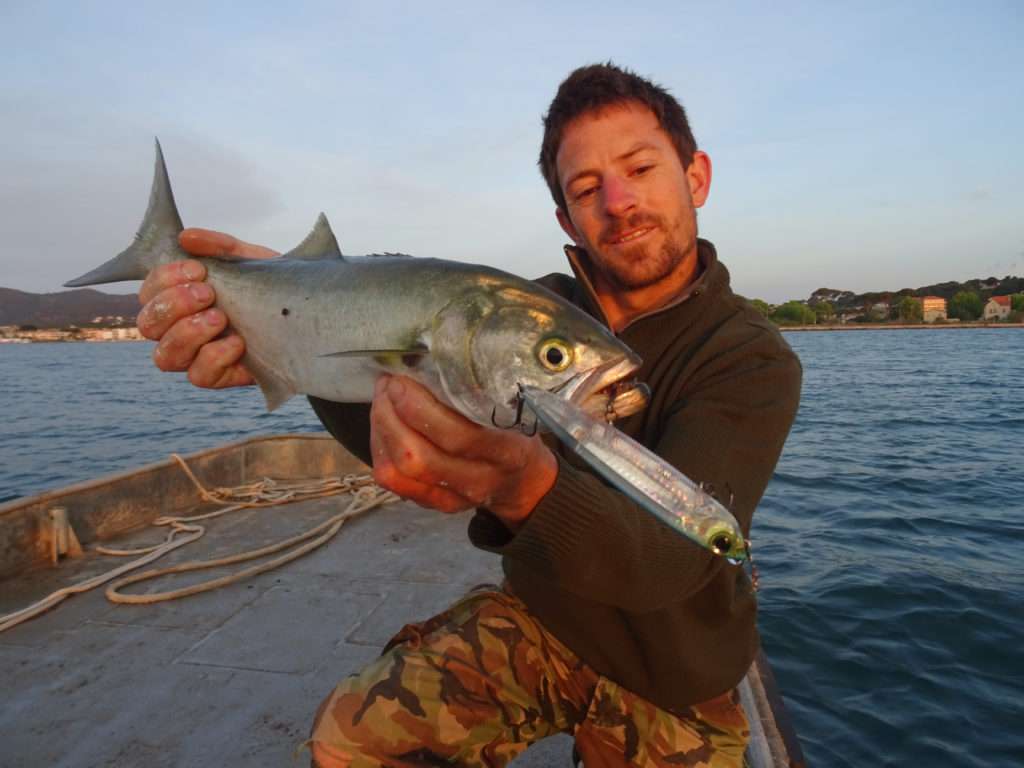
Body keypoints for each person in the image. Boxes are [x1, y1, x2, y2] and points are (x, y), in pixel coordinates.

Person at [136, 63, 802, 767]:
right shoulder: (518, 307)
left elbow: (670, 563)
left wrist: (518, 485)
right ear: (564, 217)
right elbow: (393, 421)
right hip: (545, 622)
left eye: (640, 167)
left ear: (695, 175)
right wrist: (298, 329)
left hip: (679, 676)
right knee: (352, 742)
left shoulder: (750, 359)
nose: (618, 200)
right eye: (585, 188)